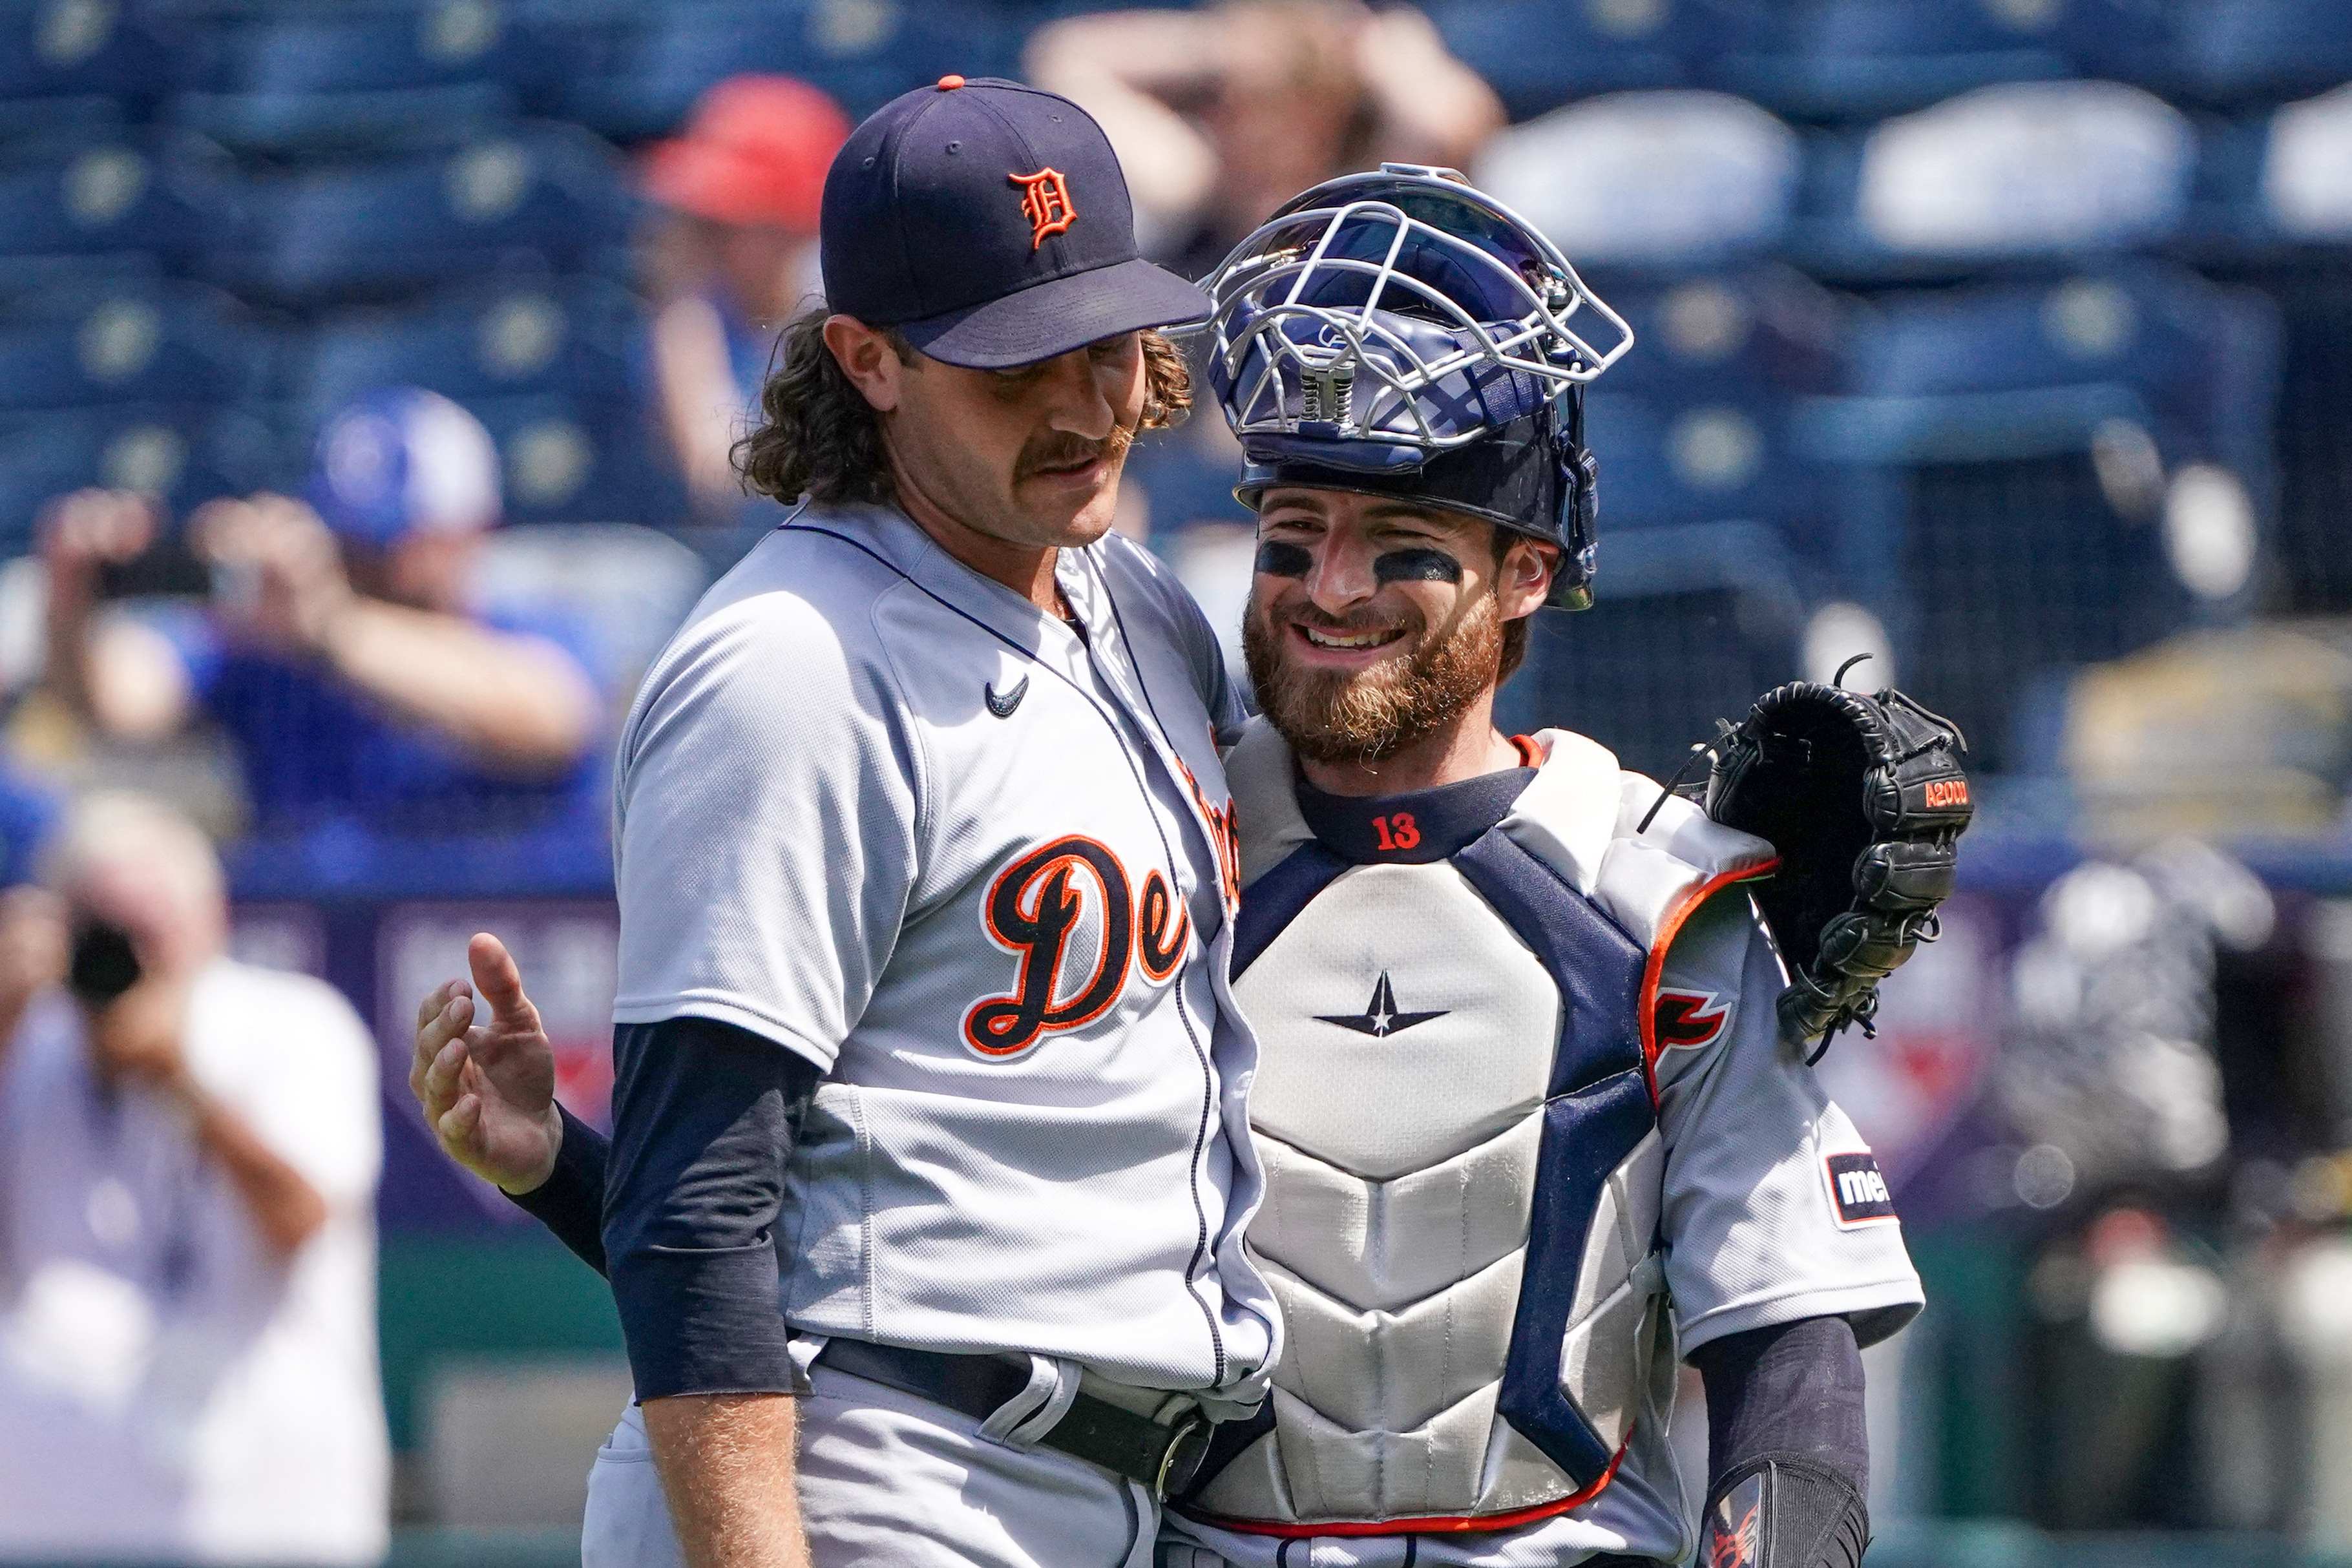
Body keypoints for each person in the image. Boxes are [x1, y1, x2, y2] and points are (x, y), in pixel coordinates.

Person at [412, 78, 1279, 1568]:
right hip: (886, 1489)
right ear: (870, 362)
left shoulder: (1135, 609)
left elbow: (885, 1192)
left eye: (1112, 344)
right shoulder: (790, 669)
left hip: (1111, 1487)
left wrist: (564, 1166)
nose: (1088, 405)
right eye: (1018, 366)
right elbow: (704, 1210)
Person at [1150, 167, 1925, 1568]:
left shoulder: (1656, 884)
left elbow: (1787, 1341)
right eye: (1290, 540)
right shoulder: (1155, 844)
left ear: (1523, 573)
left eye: (1401, 549)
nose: (1331, 590)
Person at [0, 792, 387, 1563]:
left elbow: (299, 1219)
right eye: (105, 929)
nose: (130, 957)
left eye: (149, 928)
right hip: (55, 1511)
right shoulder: (29, 1043)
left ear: (209, 920)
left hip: (262, 1514)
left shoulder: (292, 1024)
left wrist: (178, 1083)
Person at [37, 388, 604, 840]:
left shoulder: (532, 632)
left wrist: (336, 629)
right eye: (345, 544)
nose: (360, 568)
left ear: (469, 534)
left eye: (385, 547)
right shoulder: (271, 645)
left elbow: (552, 721)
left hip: (501, 954)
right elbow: (110, 703)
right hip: (318, 948)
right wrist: (71, 607)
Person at [1025, 0, 1503, 278]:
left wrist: (1361, 40)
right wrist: (1220, 46)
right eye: (1230, 99)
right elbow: (1065, 56)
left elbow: (1453, 121)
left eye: (1279, 105)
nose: (1237, 123)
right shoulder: (1198, 180)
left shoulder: (1371, 195)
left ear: (1327, 112)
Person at [639, 75, 852, 521]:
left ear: (791, 223)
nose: (705, 241)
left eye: (726, 223)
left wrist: (682, 317)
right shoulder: (703, 308)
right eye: (701, 222)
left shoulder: (842, 310)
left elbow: (729, 477)